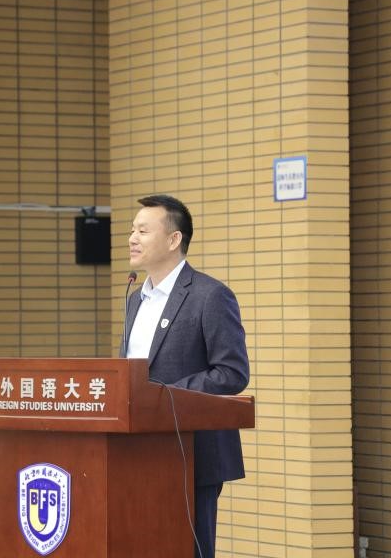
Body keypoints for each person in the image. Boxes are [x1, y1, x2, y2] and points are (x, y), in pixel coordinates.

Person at [120, 194, 250, 558]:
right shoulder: (135, 299)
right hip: (140, 451)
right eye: (132, 230)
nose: (132, 238)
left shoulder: (210, 296)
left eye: (143, 231)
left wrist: (161, 394)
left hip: (192, 453)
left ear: (173, 239)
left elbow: (232, 372)